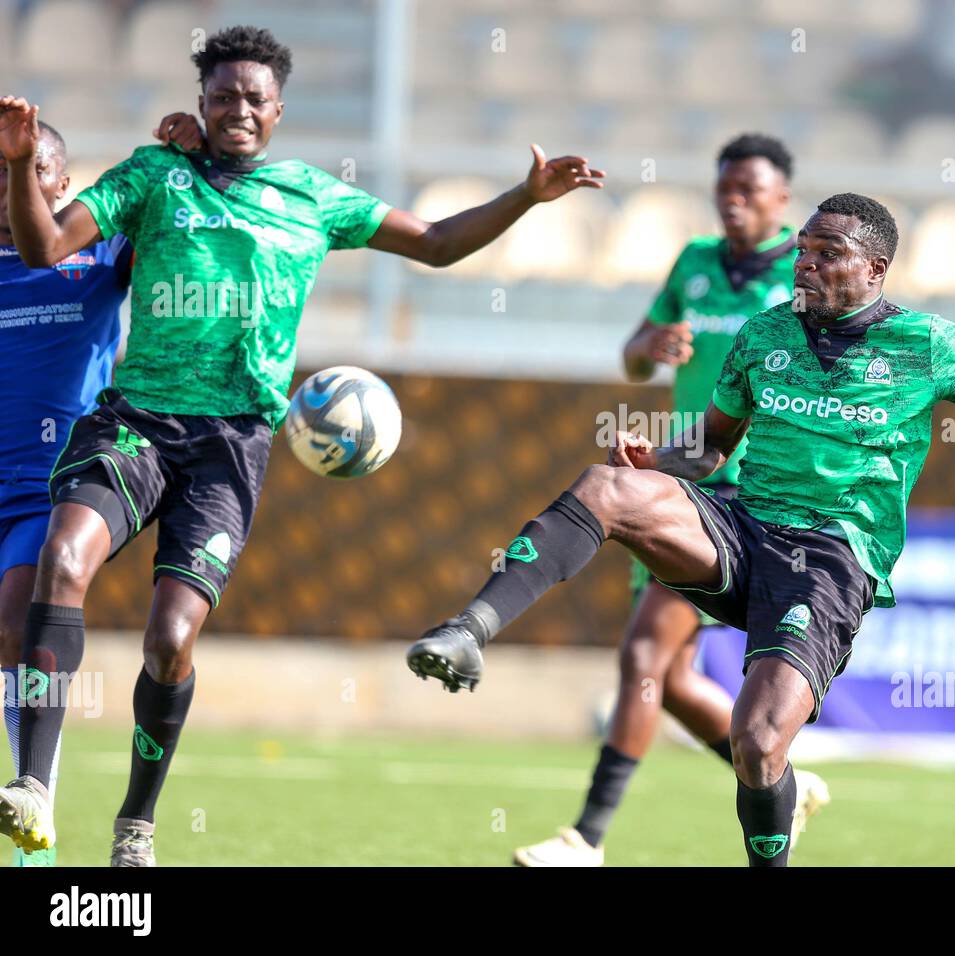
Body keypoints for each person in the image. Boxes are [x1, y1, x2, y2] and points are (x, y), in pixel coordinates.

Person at [408, 193, 955, 866]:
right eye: (803, 249)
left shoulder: (924, 345)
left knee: (756, 744)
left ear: (875, 268)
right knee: (607, 486)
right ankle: (469, 631)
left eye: (827, 253)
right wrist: (657, 461)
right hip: (741, 524)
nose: (805, 263)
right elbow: (711, 447)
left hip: (830, 561)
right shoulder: (765, 334)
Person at [0, 24, 603, 866]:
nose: (236, 110)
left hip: (229, 446)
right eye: (221, 97)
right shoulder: (151, 176)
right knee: (63, 558)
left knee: (170, 642)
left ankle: (136, 822)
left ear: (279, 109)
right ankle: (31, 785)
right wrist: (26, 163)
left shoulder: (315, 196)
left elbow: (432, 244)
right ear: (200, 106)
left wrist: (525, 196)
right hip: (136, 421)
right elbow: (43, 244)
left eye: (253, 98)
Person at [513, 134, 828, 867]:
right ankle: (789, 779)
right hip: (682, 475)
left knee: (644, 656)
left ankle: (584, 839)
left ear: (782, 199)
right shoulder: (692, 262)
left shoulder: (801, 275)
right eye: (725, 188)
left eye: (750, 189)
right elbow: (630, 353)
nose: (734, 200)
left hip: (749, 494)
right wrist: (649, 343)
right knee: (671, 677)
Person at [0, 113, 201, 867]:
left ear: (60, 182)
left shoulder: (99, 254)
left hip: (43, 489)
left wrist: (183, 157)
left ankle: (32, 828)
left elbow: (176, 230)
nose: (6, 184)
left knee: (17, 625)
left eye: (22, 169)